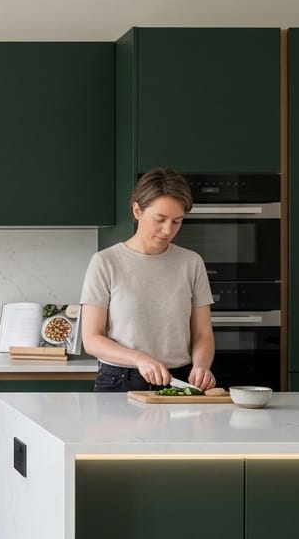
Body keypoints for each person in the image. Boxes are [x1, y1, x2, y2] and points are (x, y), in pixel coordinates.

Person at [80, 167, 217, 393]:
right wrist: (139, 359)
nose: (167, 230)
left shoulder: (191, 263)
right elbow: (92, 339)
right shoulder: (105, 262)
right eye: (160, 219)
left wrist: (201, 367)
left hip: (180, 380)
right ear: (137, 210)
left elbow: (203, 334)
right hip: (120, 380)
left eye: (177, 221)